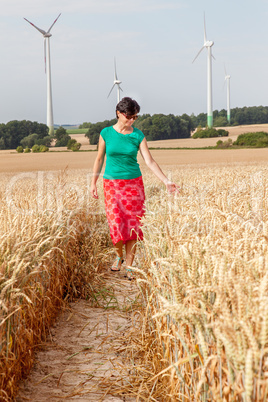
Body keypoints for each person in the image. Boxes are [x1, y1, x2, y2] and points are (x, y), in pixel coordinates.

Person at [90, 97, 178, 280]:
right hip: (112, 185)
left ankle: (129, 266)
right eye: (129, 116)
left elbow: (149, 161)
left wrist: (166, 181)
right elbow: (99, 159)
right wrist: (93, 183)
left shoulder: (138, 135)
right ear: (119, 113)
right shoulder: (105, 133)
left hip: (133, 185)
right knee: (116, 224)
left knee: (133, 226)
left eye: (135, 117)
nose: (132, 120)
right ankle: (119, 256)